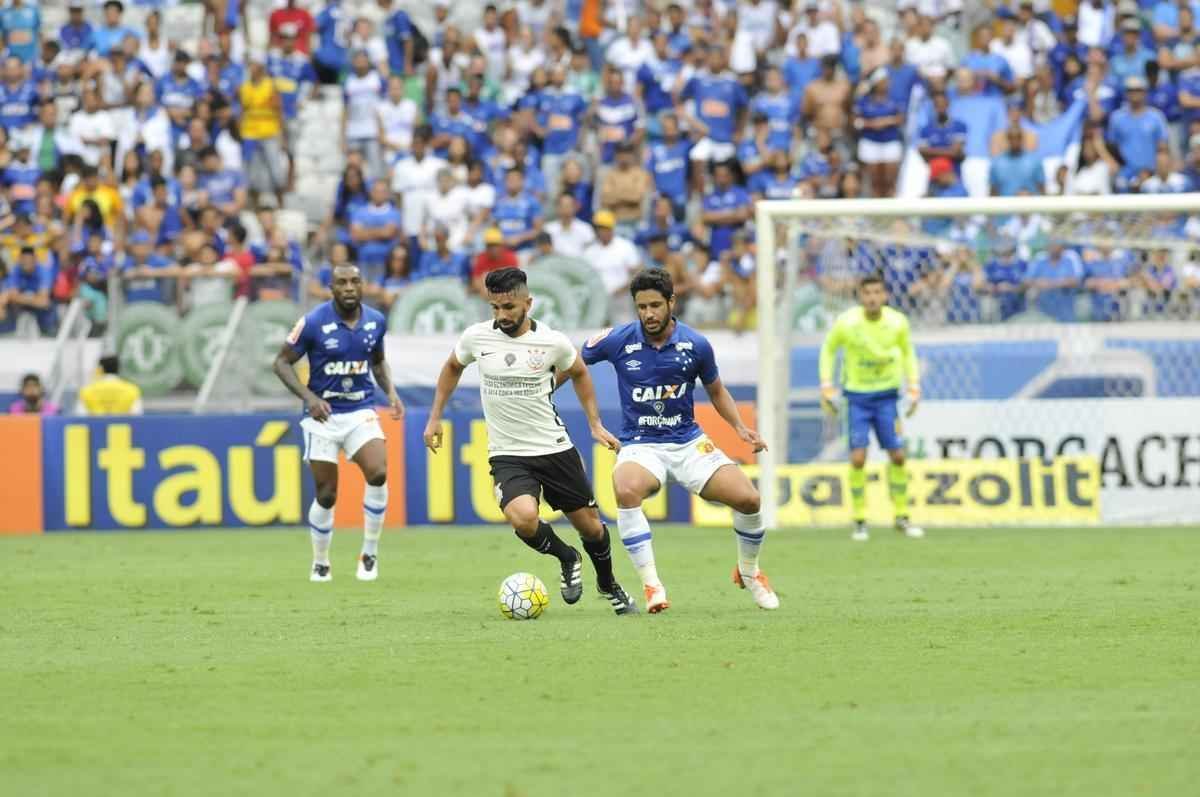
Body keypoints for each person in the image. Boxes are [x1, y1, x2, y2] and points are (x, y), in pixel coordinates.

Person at [422, 267, 638, 616]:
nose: (501, 316)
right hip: (508, 453)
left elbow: (581, 372)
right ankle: (567, 557)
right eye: (494, 308)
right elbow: (451, 368)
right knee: (522, 518)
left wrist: (595, 425)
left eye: (508, 307)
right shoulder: (477, 338)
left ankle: (608, 583)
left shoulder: (552, 342)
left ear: (528, 302)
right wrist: (435, 418)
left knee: (593, 528)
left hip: (554, 448)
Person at [581, 268, 778, 612]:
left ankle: (749, 572)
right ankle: (652, 585)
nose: (648, 314)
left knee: (749, 499)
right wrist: (593, 421)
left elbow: (716, 391)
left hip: (689, 443)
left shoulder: (696, 344)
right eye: (641, 307)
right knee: (625, 489)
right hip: (641, 444)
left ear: (672, 302)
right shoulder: (617, 340)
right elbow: (572, 364)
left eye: (655, 305)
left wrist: (739, 428)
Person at [272, 263, 405, 583]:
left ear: (363, 286)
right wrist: (309, 398)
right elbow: (281, 363)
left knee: (379, 471)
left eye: (355, 281)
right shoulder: (313, 322)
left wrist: (390, 392)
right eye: (341, 282)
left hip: (360, 410)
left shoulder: (376, 321)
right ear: (331, 288)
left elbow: (377, 361)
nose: (348, 287)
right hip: (323, 416)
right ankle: (321, 561)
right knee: (327, 494)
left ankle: (369, 552)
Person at [818, 273, 923, 542]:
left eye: (877, 292)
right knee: (858, 458)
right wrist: (827, 384)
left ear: (885, 295)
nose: (873, 298)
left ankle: (901, 515)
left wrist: (913, 385)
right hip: (857, 399)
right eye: (867, 293)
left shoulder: (898, 322)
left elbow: (908, 352)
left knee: (898, 455)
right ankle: (860, 520)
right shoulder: (847, 323)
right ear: (860, 296)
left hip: (888, 397)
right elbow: (829, 349)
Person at [76, 355, 143, 416]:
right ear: (118, 368)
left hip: (95, 428)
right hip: (122, 428)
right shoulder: (132, 390)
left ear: (100, 369)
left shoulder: (86, 391)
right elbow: (137, 417)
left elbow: (80, 417)